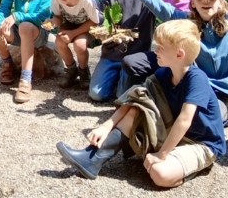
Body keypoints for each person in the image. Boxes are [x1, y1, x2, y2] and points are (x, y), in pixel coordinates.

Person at [56, 20, 226, 187]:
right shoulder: (164, 73)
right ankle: (92, 159)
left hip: (200, 143)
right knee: (137, 107)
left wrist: (161, 155)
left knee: (160, 174)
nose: (156, 50)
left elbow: (184, 120)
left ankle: (194, 165)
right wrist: (106, 125)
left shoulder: (197, 79)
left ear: (179, 54)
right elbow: (135, 97)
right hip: (174, 135)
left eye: (161, 47)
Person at [116, 0, 228, 124]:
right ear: (193, 2)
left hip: (223, 92)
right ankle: (127, 105)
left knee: (201, 119)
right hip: (197, 86)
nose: (205, 1)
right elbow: (159, 6)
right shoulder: (188, 21)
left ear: (221, 2)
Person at [88, 0, 171, 102]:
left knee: (122, 97)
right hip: (112, 55)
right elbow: (106, 25)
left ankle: (128, 82)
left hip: (136, 57)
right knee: (96, 94)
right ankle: (117, 79)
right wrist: (104, 34)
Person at [121, 0, 208, 87]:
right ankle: (133, 94)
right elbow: (154, 2)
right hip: (167, 51)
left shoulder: (195, 0)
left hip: (187, 56)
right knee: (130, 62)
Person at [42, 0, 100, 90]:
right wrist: (52, 22)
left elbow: (94, 22)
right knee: (59, 42)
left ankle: (84, 71)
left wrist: (73, 34)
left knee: (79, 44)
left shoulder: (87, 0)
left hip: (88, 25)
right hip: (69, 23)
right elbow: (58, 17)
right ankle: (71, 70)